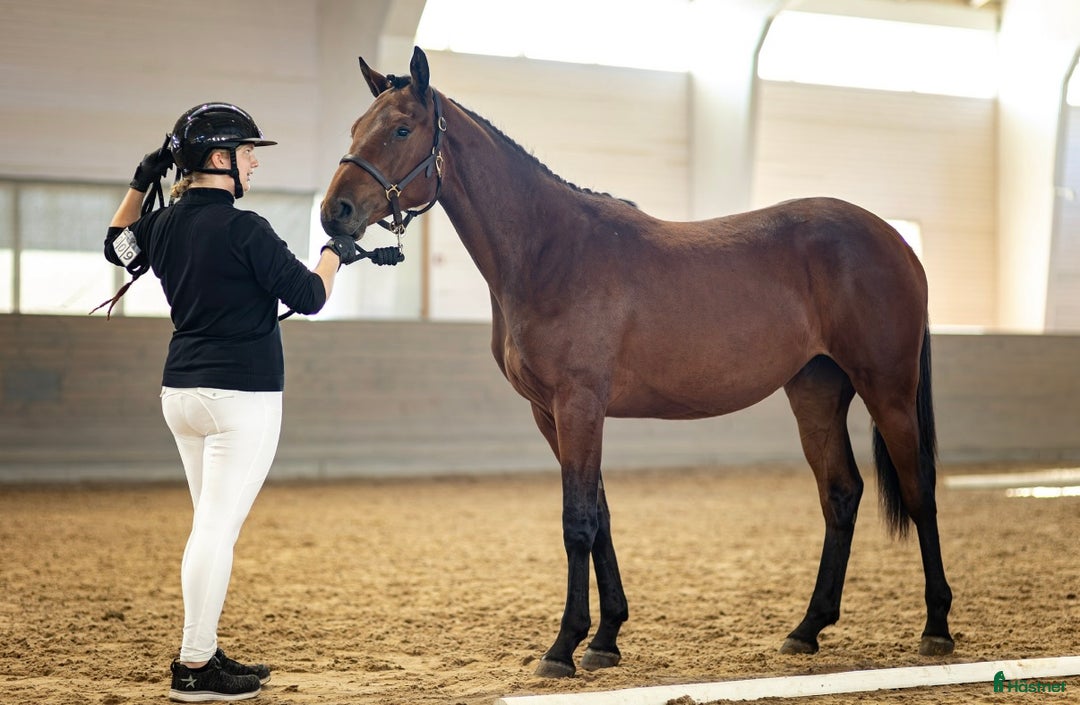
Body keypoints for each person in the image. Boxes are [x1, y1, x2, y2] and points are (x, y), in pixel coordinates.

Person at [103, 102, 363, 702]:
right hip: (240, 399)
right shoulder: (247, 229)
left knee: (209, 527)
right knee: (215, 532)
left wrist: (142, 182)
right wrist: (335, 252)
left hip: (182, 395)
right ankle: (194, 666)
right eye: (247, 154)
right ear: (220, 160)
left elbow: (116, 248)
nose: (253, 165)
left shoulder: (162, 226)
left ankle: (206, 645)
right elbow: (309, 295)